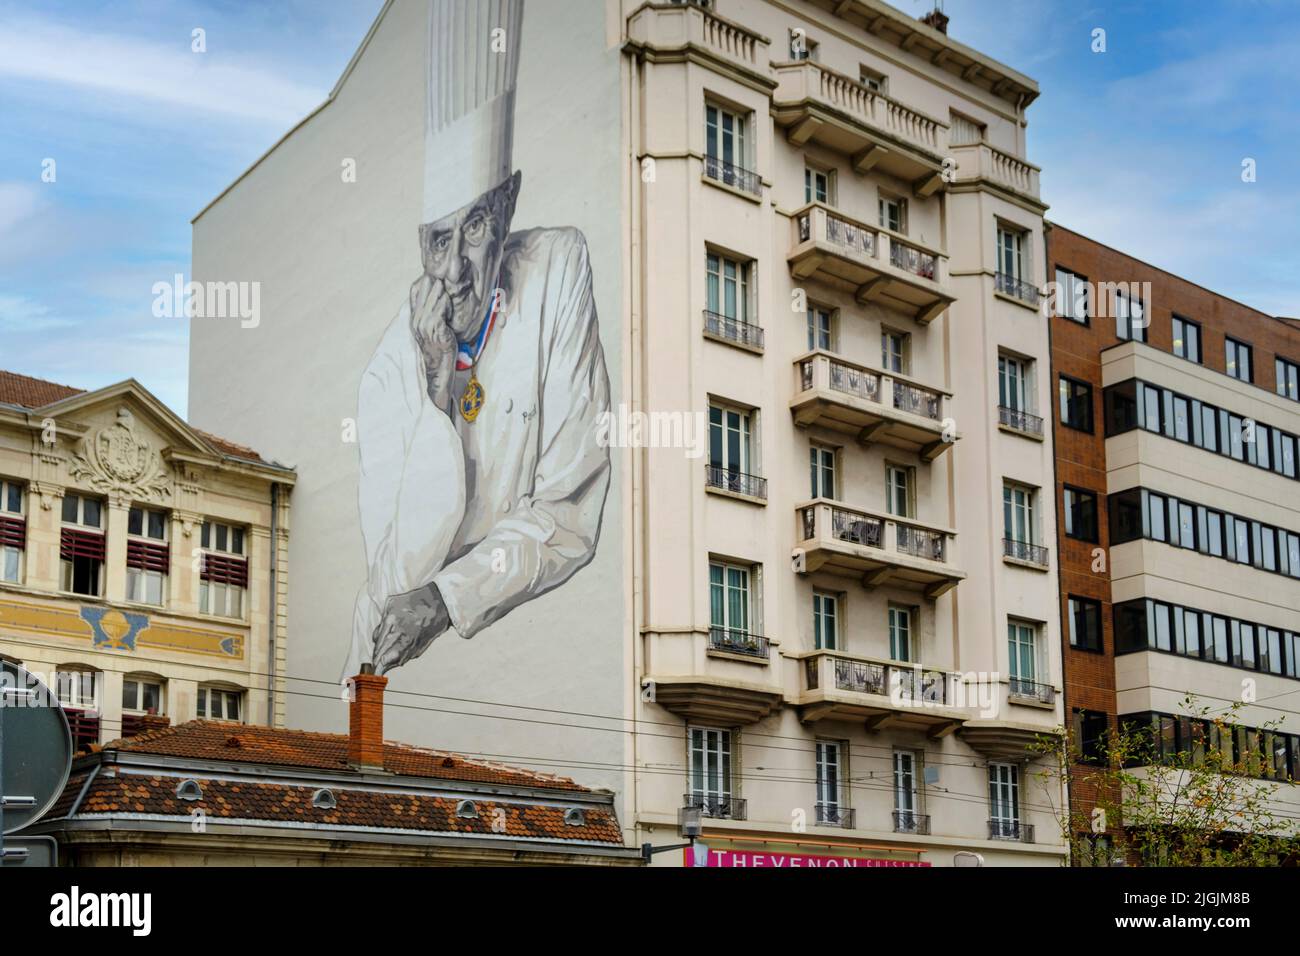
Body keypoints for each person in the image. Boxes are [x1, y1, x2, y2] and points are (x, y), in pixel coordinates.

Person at [345, 0, 611, 679]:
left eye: (474, 227)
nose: (455, 269)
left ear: (509, 205)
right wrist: (438, 395)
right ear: (418, 245)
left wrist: (446, 599)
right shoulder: (384, 377)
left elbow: (569, 511)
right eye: (438, 239)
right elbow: (402, 569)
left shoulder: (557, 266)